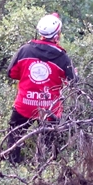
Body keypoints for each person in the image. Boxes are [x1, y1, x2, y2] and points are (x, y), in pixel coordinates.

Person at [6, 13, 76, 163]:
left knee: (15, 134)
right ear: (57, 35)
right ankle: (44, 167)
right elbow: (74, 82)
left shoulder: (24, 50)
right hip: (50, 108)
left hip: (25, 104)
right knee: (48, 142)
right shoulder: (63, 58)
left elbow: (11, 73)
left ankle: (12, 163)